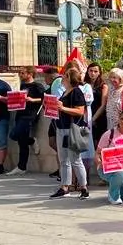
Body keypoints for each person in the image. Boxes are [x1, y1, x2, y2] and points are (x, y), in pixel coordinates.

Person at [50, 68, 90, 199]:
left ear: (69, 78)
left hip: (72, 129)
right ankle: (64, 186)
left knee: (75, 160)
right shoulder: (65, 92)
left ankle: (83, 187)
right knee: (63, 160)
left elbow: (80, 111)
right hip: (61, 127)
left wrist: (62, 108)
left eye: (65, 76)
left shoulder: (76, 92)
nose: (62, 78)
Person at [7, 66, 46, 175]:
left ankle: (32, 141)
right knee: (21, 141)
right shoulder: (23, 85)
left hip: (30, 115)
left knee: (14, 135)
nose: (20, 74)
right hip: (20, 113)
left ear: (30, 74)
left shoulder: (37, 86)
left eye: (23, 73)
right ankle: (21, 166)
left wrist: (32, 100)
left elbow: (44, 98)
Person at [86, 63, 109, 150]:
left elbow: (103, 105)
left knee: (99, 144)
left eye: (95, 71)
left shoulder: (103, 86)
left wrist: (93, 119)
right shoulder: (84, 85)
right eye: (91, 71)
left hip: (99, 118)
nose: (93, 73)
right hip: (86, 116)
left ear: (99, 73)